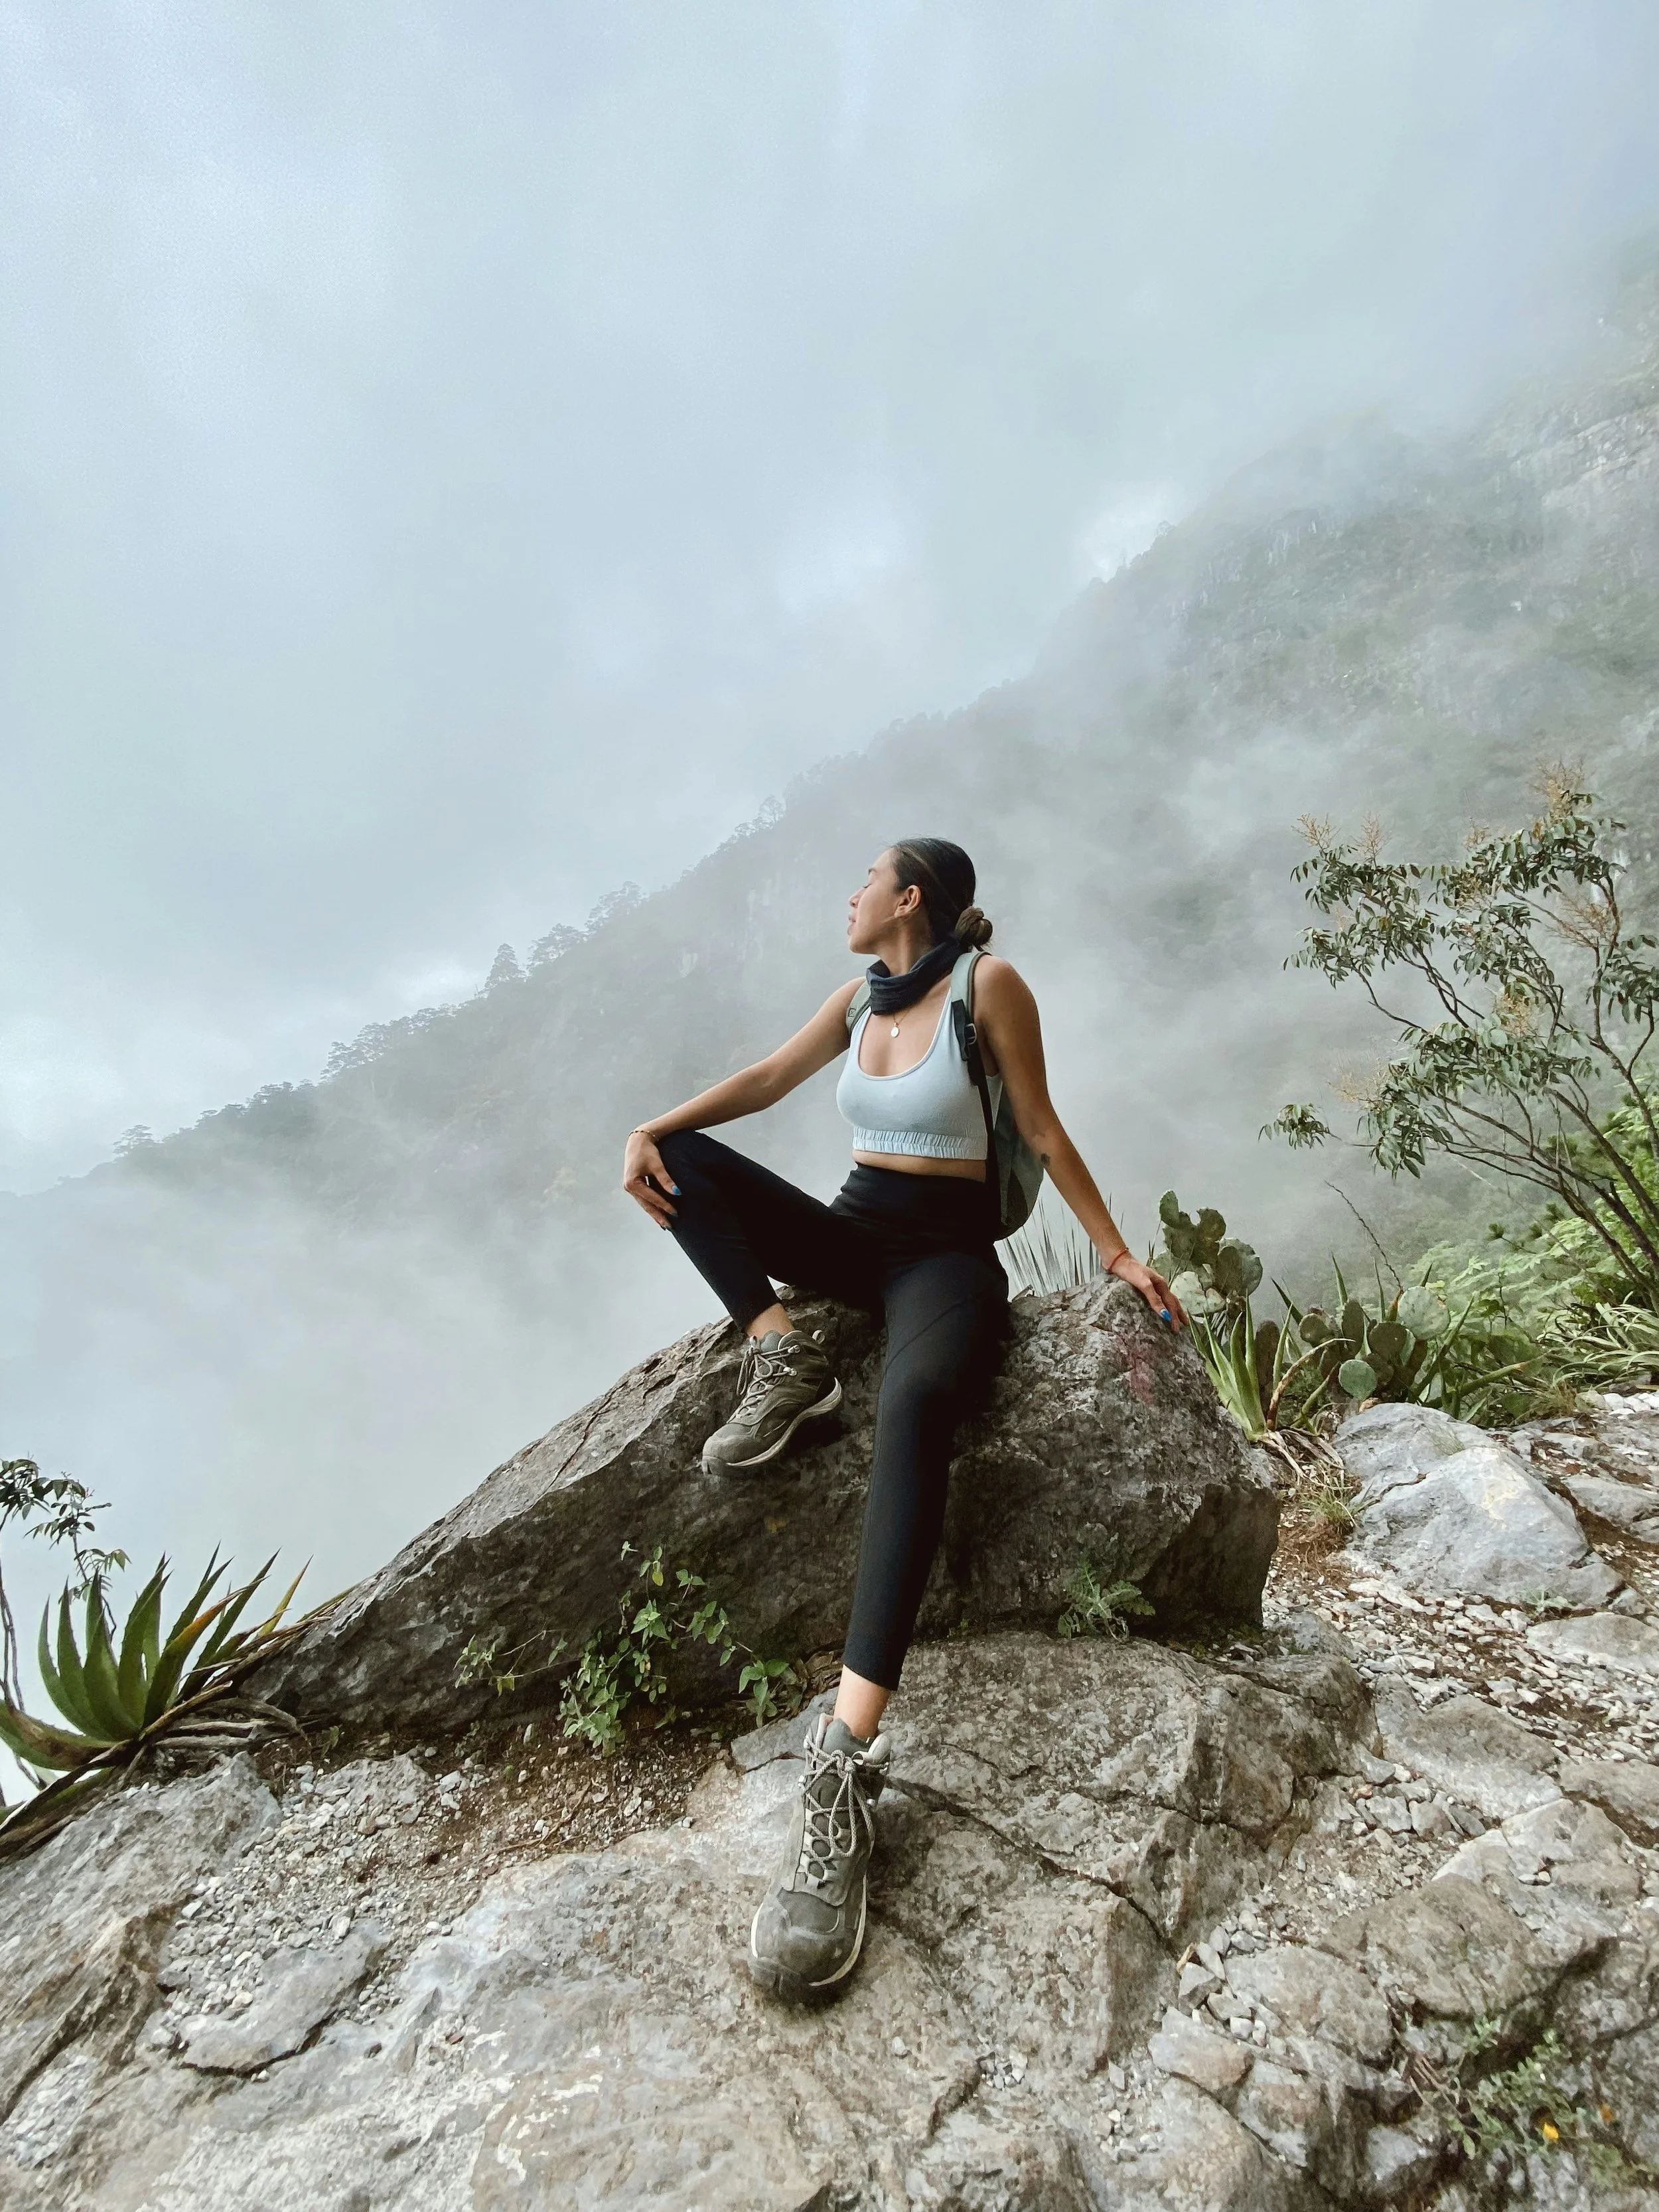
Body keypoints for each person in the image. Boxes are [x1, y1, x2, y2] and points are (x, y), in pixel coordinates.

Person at [621, 838, 1184, 2001]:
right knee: (683, 1159)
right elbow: (771, 1080)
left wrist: (1118, 1252)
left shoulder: (992, 987)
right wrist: (652, 1128)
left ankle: (843, 1754)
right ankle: (784, 1359)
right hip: (852, 1230)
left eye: (863, 879)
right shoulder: (854, 997)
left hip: (944, 1254)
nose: (849, 894)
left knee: (921, 1401)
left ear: (910, 897)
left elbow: (1038, 1127)